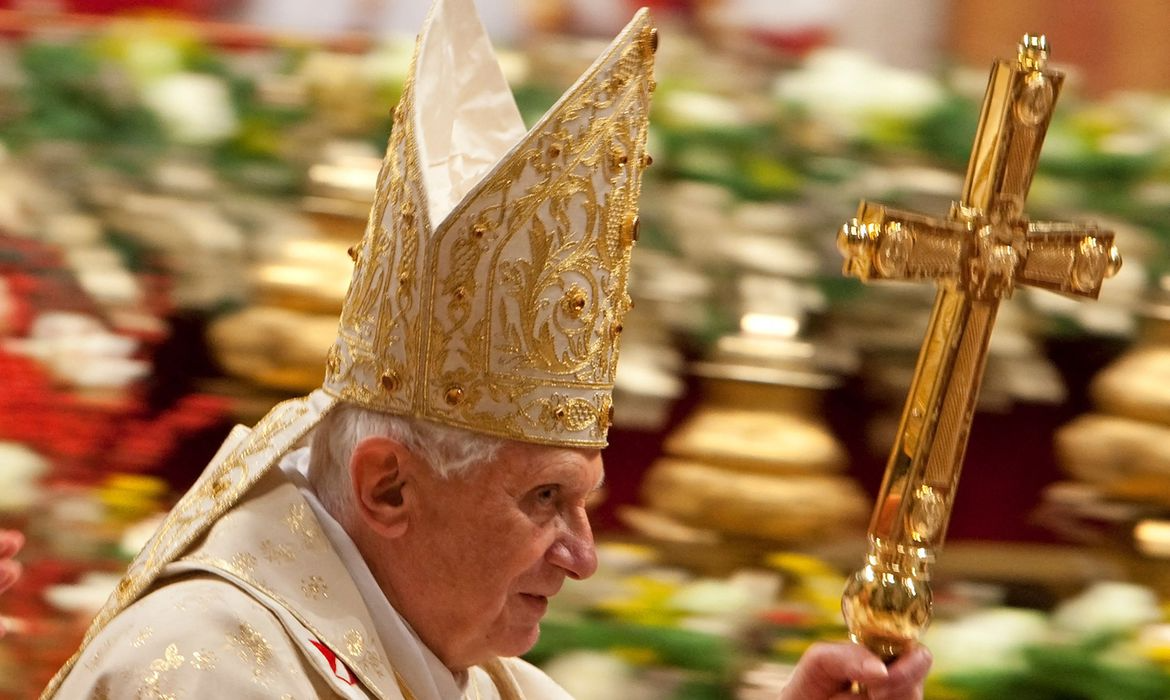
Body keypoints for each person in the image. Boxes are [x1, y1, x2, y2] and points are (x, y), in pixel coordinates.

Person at [44, 0, 930, 698]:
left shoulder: (494, 681)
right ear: (387, 486)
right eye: (544, 498)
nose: (582, 555)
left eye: (582, 504)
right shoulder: (209, 672)